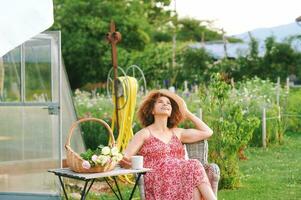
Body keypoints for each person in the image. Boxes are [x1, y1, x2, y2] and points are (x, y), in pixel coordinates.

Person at [120, 89, 217, 200]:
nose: (165, 104)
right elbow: (125, 156)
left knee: (193, 185)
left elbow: (208, 132)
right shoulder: (144, 133)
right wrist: (126, 163)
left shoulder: (177, 132)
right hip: (157, 181)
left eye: (168, 103)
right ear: (152, 110)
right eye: (160, 102)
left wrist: (186, 113)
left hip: (181, 179)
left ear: (171, 112)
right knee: (194, 165)